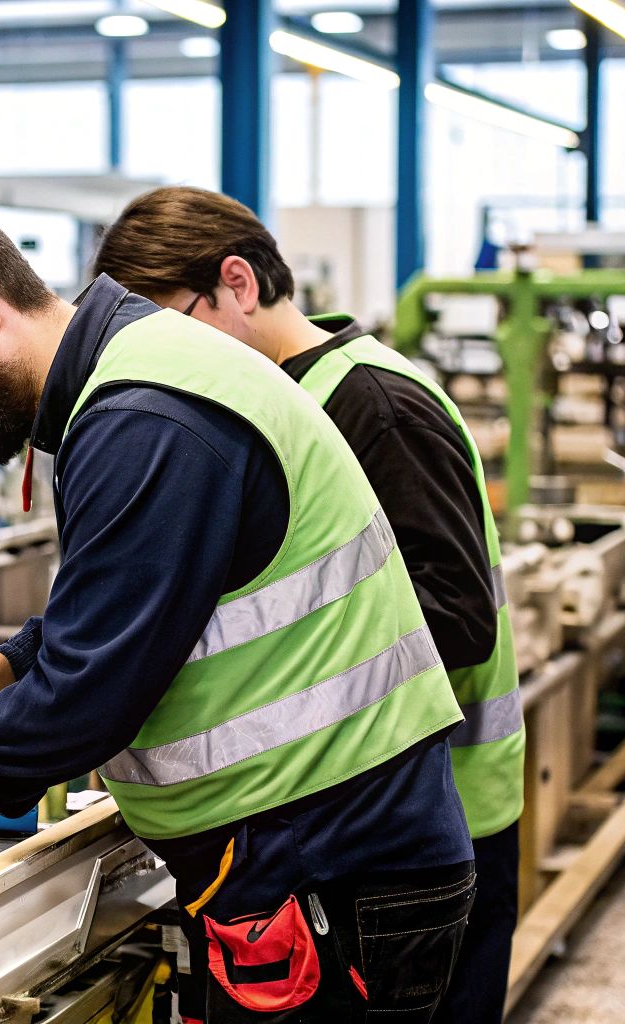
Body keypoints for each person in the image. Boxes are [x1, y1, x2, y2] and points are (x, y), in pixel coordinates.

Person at [0, 202, 475, 1022]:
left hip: (332, 866)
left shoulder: (145, 415)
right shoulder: (132, 375)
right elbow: (119, 610)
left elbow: (85, 704)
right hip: (310, 849)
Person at [89, 186, 523, 1024]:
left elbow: (457, 616)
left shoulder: (375, 407)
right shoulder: (281, 402)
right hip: (364, 808)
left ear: (238, 284)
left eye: (172, 324)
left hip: (436, 815)